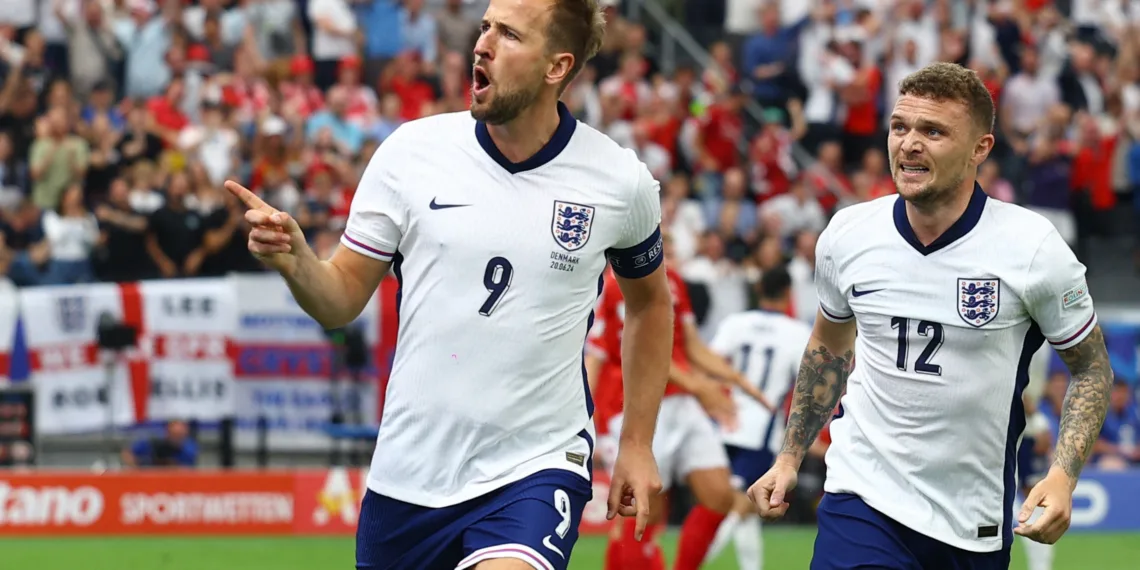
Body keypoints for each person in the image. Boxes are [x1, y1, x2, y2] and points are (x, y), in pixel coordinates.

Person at [224, 1, 675, 568]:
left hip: (534, 467)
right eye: (485, 26)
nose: (482, 43)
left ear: (556, 67)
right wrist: (296, 260)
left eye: (508, 34)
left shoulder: (619, 180)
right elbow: (339, 299)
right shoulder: (411, 155)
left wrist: (636, 441)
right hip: (408, 476)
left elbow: (652, 304)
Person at [748, 62, 1114, 569]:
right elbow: (828, 347)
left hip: (971, 520)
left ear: (980, 149)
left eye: (934, 131)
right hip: (862, 496)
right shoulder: (849, 235)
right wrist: (789, 457)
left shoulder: (1032, 249)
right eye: (900, 127)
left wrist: (1061, 475)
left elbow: (1091, 368)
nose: (909, 143)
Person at [587, 232, 772, 570]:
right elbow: (643, 353)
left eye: (669, 247)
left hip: (680, 404)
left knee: (718, 496)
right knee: (643, 512)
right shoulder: (618, 286)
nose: (666, 253)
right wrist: (699, 386)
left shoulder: (674, 283)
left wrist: (738, 381)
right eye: (662, 247)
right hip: (634, 407)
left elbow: (691, 347)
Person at [697, 266, 812, 570]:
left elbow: (709, 363)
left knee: (744, 509)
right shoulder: (798, 332)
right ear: (788, 294)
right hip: (760, 430)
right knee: (740, 507)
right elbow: (806, 382)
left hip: (725, 424)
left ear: (759, 289)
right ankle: (692, 564)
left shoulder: (736, 323)